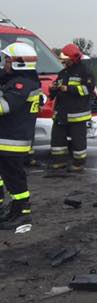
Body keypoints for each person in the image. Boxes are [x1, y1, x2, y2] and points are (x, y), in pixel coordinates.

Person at [0, 42, 42, 228]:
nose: (5, 63)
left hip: (12, 140)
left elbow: (4, 107)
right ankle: (15, 211)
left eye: (8, 60)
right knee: (10, 176)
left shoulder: (21, 84)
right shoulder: (23, 80)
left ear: (19, 62)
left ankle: (22, 213)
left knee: (14, 177)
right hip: (9, 138)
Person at [49, 43, 96, 171]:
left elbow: (88, 89)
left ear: (73, 58)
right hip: (61, 112)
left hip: (77, 114)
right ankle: (59, 161)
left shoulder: (85, 72)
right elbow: (56, 88)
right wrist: (53, 89)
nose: (64, 62)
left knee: (78, 140)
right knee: (57, 138)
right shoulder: (63, 72)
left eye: (66, 59)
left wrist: (69, 89)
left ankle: (78, 163)